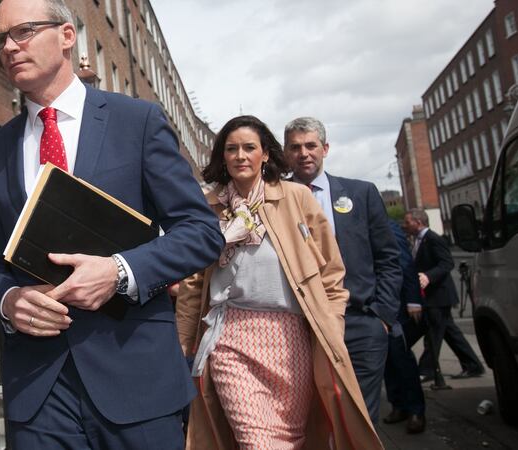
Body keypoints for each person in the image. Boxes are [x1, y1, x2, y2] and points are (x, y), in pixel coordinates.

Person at [0, 1, 224, 448]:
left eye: (23, 31)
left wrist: (120, 271)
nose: (9, 46)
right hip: (38, 391)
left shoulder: (137, 122)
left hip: (136, 380)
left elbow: (201, 232)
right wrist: (9, 301)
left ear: (68, 36)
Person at [176, 115, 382, 449]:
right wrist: (183, 342)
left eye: (249, 147)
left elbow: (330, 269)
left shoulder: (296, 198)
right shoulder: (208, 207)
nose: (241, 155)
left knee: (292, 438)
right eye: (232, 149)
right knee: (256, 440)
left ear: (266, 154)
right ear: (222, 156)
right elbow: (193, 281)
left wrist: (334, 323)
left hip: (290, 335)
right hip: (230, 335)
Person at [283, 117, 401, 424]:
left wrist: (382, 317)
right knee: (313, 420)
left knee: (359, 419)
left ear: (325, 149)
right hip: (300, 327)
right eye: (295, 147)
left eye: (311, 145)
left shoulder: (361, 193)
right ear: (285, 153)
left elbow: (388, 257)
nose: (304, 153)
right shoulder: (275, 200)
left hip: (360, 324)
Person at [403, 209, 484, 384]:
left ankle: (427, 369)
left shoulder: (433, 239)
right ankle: (472, 364)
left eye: (407, 222)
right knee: (450, 332)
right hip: (432, 297)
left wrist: (428, 276)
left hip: (439, 296)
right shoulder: (417, 241)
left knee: (433, 334)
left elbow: (447, 263)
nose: (405, 225)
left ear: (418, 222)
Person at [382, 220, 426, 433]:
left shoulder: (388, 227)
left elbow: (407, 265)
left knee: (401, 358)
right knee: (386, 360)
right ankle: (398, 405)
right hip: (377, 306)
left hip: (397, 307)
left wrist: (413, 300)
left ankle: (416, 410)